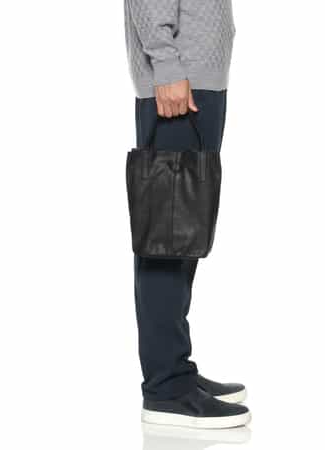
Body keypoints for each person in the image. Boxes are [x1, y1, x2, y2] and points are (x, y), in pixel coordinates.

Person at [125, 0, 250, 429]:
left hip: (196, 83)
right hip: (179, 84)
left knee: (184, 234)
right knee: (166, 237)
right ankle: (166, 387)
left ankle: (175, 368)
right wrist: (166, 67)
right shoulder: (173, 75)